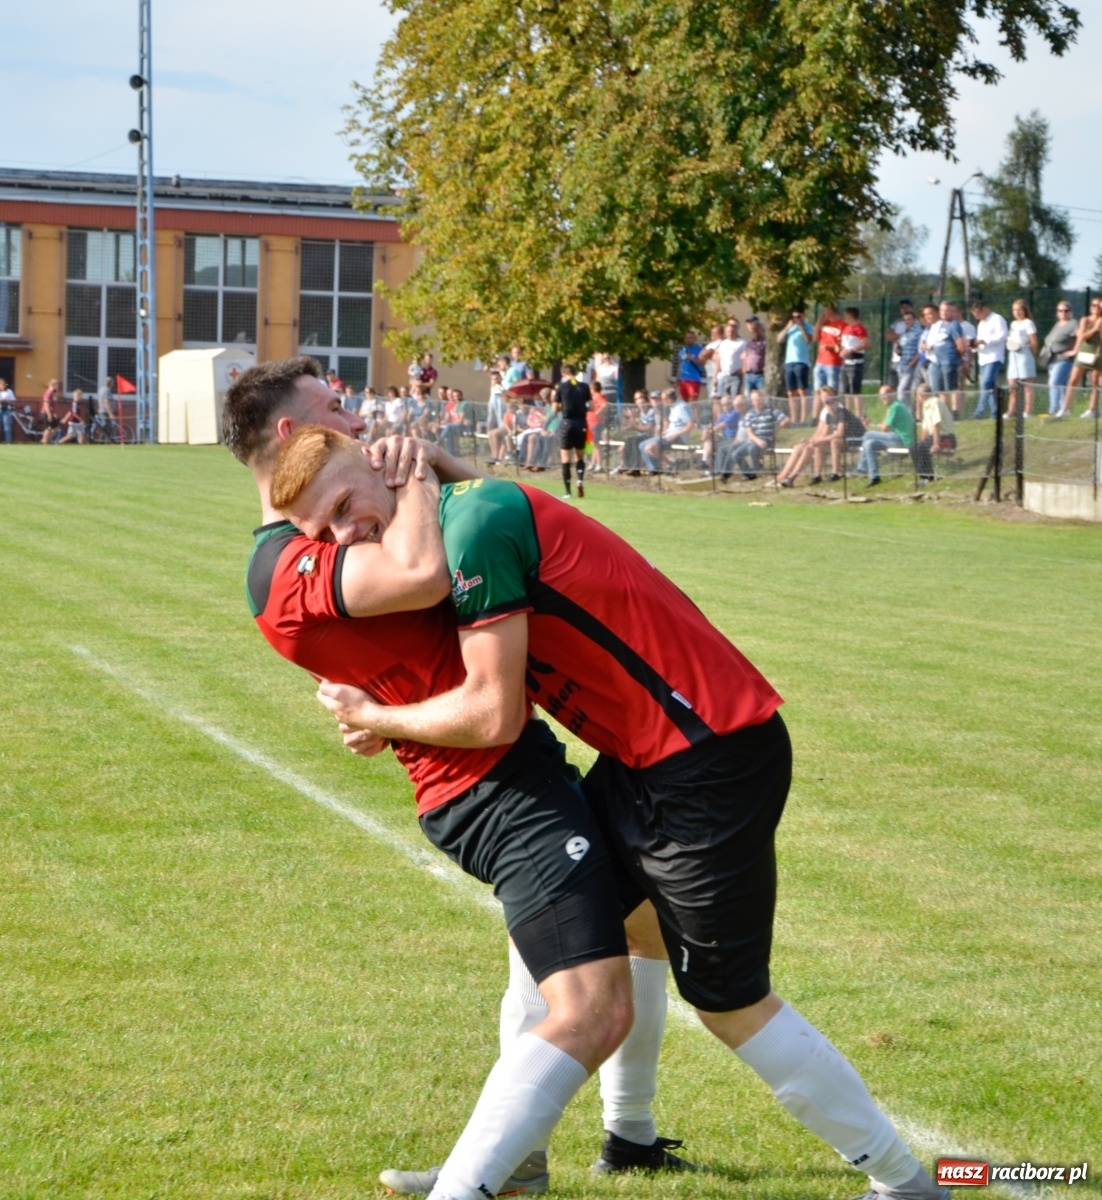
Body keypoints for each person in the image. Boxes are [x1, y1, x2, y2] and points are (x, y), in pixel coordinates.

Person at [274, 430, 953, 1200]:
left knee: (729, 1002)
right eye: (321, 534)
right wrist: (429, 474)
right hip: (647, 758)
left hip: (709, 760)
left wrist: (379, 717)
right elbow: (486, 515)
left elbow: (494, 714)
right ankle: (544, 1155)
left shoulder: (469, 526)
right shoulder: (463, 509)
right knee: (572, 929)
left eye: (342, 508)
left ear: (377, 462)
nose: (344, 536)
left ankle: (905, 1184)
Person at [222, 357, 687, 1196]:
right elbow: (425, 579)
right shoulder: (284, 559)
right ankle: (495, 1172)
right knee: (587, 997)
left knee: (631, 928)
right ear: (295, 435)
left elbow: (504, 527)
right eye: (336, 409)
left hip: (507, 762)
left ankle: (618, 1136)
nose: (359, 419)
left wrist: (431, 469)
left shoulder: (347, 510)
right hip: (483, 779)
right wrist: (416, 487)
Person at [774, 388, 840, 487]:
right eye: (823, 396)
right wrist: (809, 440)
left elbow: (826, 433)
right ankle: (782, 475)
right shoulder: (824, 410)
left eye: (827, 395)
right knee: (798, 447)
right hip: (824, 440)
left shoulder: (835, 409)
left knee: (808, 448)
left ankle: (791, 477)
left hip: (835, 441)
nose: (825, 398)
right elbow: (819, 431)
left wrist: (811, 442)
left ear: (834, 395)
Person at [855, 387, 916, 486]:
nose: (882, 397)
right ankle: (874, 477)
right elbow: (884, 425)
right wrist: (873, 424)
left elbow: (885, 428)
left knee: (867, 434)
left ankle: (862, 467)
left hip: (902, 440)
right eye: (881, 395)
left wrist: (875, 425)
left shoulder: (895, 406)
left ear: (892, 394)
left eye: (885, 394)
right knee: (869, 444)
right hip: (895, 438)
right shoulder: (893, 406)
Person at [1057, 297, 1102, 420]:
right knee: (1073, 381)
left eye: (1098, 305)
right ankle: (1065, 409)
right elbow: (1081, 336)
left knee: (1095, 383)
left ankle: (1091, 410)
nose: (1095, 307)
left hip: (1098, 354)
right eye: (1093, 305)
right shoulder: (1085, 320)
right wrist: (1095, 328)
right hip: (1084, 353)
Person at [729, 388, 788, 479]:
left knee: (752, 448)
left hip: (767, 439)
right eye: (755, 399)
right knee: (736, 454)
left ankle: (756, 467)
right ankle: (748, 473)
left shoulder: (770, 410)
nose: (758, 401)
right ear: (752, 401)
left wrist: (776, 429)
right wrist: (758, 440)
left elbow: (786, 420)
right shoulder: (749, 414)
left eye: (760, 398)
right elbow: (749, 431)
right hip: (755, 440)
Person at [919, 303, 965, 415]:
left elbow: (961, 345)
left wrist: (955, 357)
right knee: (940, 390)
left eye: (947, 310)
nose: (944, 313)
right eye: (942, 310)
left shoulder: (954, 325)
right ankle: (944, 412)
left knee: (952, 387)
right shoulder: (938, 325)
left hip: (948, 361)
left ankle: (955, 413)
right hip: (936, 361)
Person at [554, 364, 590, 498]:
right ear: (575, 373)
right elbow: (591, 406)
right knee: (580, 456)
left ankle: (568, 491)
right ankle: (579, 480)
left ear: (564, 374)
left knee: (565, 458)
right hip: (581, 422)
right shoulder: (585, 387)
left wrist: (562, 407)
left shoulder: (562, 387)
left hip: (567, 423)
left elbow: (554, 408)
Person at [639, 387, 695, 474]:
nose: (662, 401)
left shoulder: (682, 407)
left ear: (669, 398)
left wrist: (676, 434)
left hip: (678, 437)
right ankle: (667, 464)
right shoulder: (673, 407)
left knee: (649, 447)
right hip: (668, 435)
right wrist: (664, 432)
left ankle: (660, 467)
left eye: (664, 399)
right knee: (642, 445)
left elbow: (691, 425)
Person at [970, 297, 1008, 419]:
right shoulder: (981, 323)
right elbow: (979, 340)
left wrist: (985, 341)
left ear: (984, 309)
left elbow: (1002, 335)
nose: (977, 317)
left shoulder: (997, 319)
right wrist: (974, 345)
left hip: (994, 357)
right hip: (983, 358)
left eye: (978, 313)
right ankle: (995, 413)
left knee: (985, 384)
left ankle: (979, 412)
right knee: (989, 386)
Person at [1041, 301, 1079, 417]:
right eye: (1060, 310)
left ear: (1070, 312)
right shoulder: (1057, 324)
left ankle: (1053, 409)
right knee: (1061, 385)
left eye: (1066, 310)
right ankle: (1064, 410)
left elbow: (1080, 337)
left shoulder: (1073, 323)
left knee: (1054, 383)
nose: (1063, 313)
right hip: (1052, 359)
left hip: (1063, 359)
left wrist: (1074, 351)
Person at [913, 383, 956, 481]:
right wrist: (922, 442)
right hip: (934, 437)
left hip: (946, 438)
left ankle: (928, 477)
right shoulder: (926, 405)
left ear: (921, 395)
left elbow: (937, 424)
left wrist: (936, 444)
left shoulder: (935, 403)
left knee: (921, 448)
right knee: (915, 448)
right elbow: (925, 429)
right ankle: (923, 476)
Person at [1004, 298, 1039, 419]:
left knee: (1027, 386)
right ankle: (1011, 411)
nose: (1017, 312)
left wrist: (1031, 355)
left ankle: (1027, 411)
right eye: (1014, 310)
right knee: (1012, 386)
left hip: (1024, 353)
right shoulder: (1013, 324)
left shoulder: (1028, 323)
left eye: (1019, 309)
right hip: (1013, 354)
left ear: (1024, 310)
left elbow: (1034, 342)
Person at [779, 306, 813, 424]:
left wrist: (801, 327)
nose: (796, 319)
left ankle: (803, 419)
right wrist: (787, 327)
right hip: (789, 362)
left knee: (802, 391)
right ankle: (794, 419)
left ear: (803, 316)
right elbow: (779, 339)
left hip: (801, 362)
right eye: (793, 317)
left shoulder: (808, 327)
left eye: (798, 316)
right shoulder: (790, 327)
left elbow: (808, 340)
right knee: (791, 392)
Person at [812, 305, 844, 404]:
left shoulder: (842, 324)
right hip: (820, 361)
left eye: (826, 309)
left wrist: (830, 347)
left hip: (833, 362)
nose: (824, 312)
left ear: (832, 310)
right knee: (818, 391)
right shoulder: (824, 323)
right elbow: (815, 338)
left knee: (832, 391)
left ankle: (834, 413)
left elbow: (843, 344)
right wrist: (818, 323)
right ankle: (815, 417)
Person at [840, 307, 868, 416]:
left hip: (855, 362)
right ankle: (847, 415)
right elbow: (844, 344)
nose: (845, 318)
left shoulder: (859, 328)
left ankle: (859, 415)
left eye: (846, 316)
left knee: (855, 390)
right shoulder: (846, 328)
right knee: (846, 390)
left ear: (851, 316)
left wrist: (851, 350)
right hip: (845, 362)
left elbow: (865, 344)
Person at [884, 299, 915, 392]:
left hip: (909, 360)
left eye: (907, 307)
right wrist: (901, 337)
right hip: (896, 358)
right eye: (902, 308)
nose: (905, 309)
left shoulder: (916, 324)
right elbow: (888, 335)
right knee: (893, 385)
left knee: (905, 388)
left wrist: (901, 337)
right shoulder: (897, 323)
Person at [893, 309, 922, 406]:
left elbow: (921, 351)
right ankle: (910, 413)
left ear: (914, 320)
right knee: (905, 392)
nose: (907, 322)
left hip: (911, 366)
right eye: (905, 320)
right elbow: (901, 349)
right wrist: (898, 350)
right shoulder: (904, 333)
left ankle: (904, 413)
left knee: (902, 390)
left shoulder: (918, 333)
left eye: (909, 319)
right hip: (902, 365)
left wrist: (912, 363)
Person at [714, 318, 747, 400]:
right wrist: (715, 377)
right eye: (728, 331)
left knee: (735, 399)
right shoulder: (723, 343)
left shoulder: (742, 343)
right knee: (725, 400)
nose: (730, 333)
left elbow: (746, 358)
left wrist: (743, 370)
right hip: (724, 375)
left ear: (736, 331)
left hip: (736, 376)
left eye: (732, 331)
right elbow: (719, 360)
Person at [676, 331, 705, 402]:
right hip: (683, 380)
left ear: (695, 339)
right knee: (683, 402)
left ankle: (695, 414)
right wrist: (677, 379)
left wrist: (691, 358)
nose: (689, 340)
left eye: (691, 338)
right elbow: (680, 365)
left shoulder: (700, 349)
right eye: (687, 338)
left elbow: (702, 363)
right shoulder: (683, 350)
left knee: (693, 403)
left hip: (693, 379)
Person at [587, 380, 609, 472]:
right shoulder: (593, 397)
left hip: (596, 423)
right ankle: (593, 463)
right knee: (593, 444)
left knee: (596, 444)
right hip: (591, 423)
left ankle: (599, 464)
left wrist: (597, 413)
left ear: (593, 389)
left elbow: (604, 405)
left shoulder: (598, 396)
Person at [40, 379, 62, 444]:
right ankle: (44, 441)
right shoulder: (48, 392)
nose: (58, 387)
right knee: (49, 428)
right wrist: (49, 414)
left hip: (51, 413)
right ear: (53, 385)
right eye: (57, 385)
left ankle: (44, 439)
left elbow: (52, 405)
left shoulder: (53, 393)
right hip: (45, 413)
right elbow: (46, 404)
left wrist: (54, 413)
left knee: (56, 428)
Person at [0, 377, 15, 444]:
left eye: (3, 383)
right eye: (0, 384)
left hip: (6, 410)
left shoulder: (9, 392)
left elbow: (13, 402)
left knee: (7, 426)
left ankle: (8, 442)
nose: (2, 385)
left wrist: (6, 401)